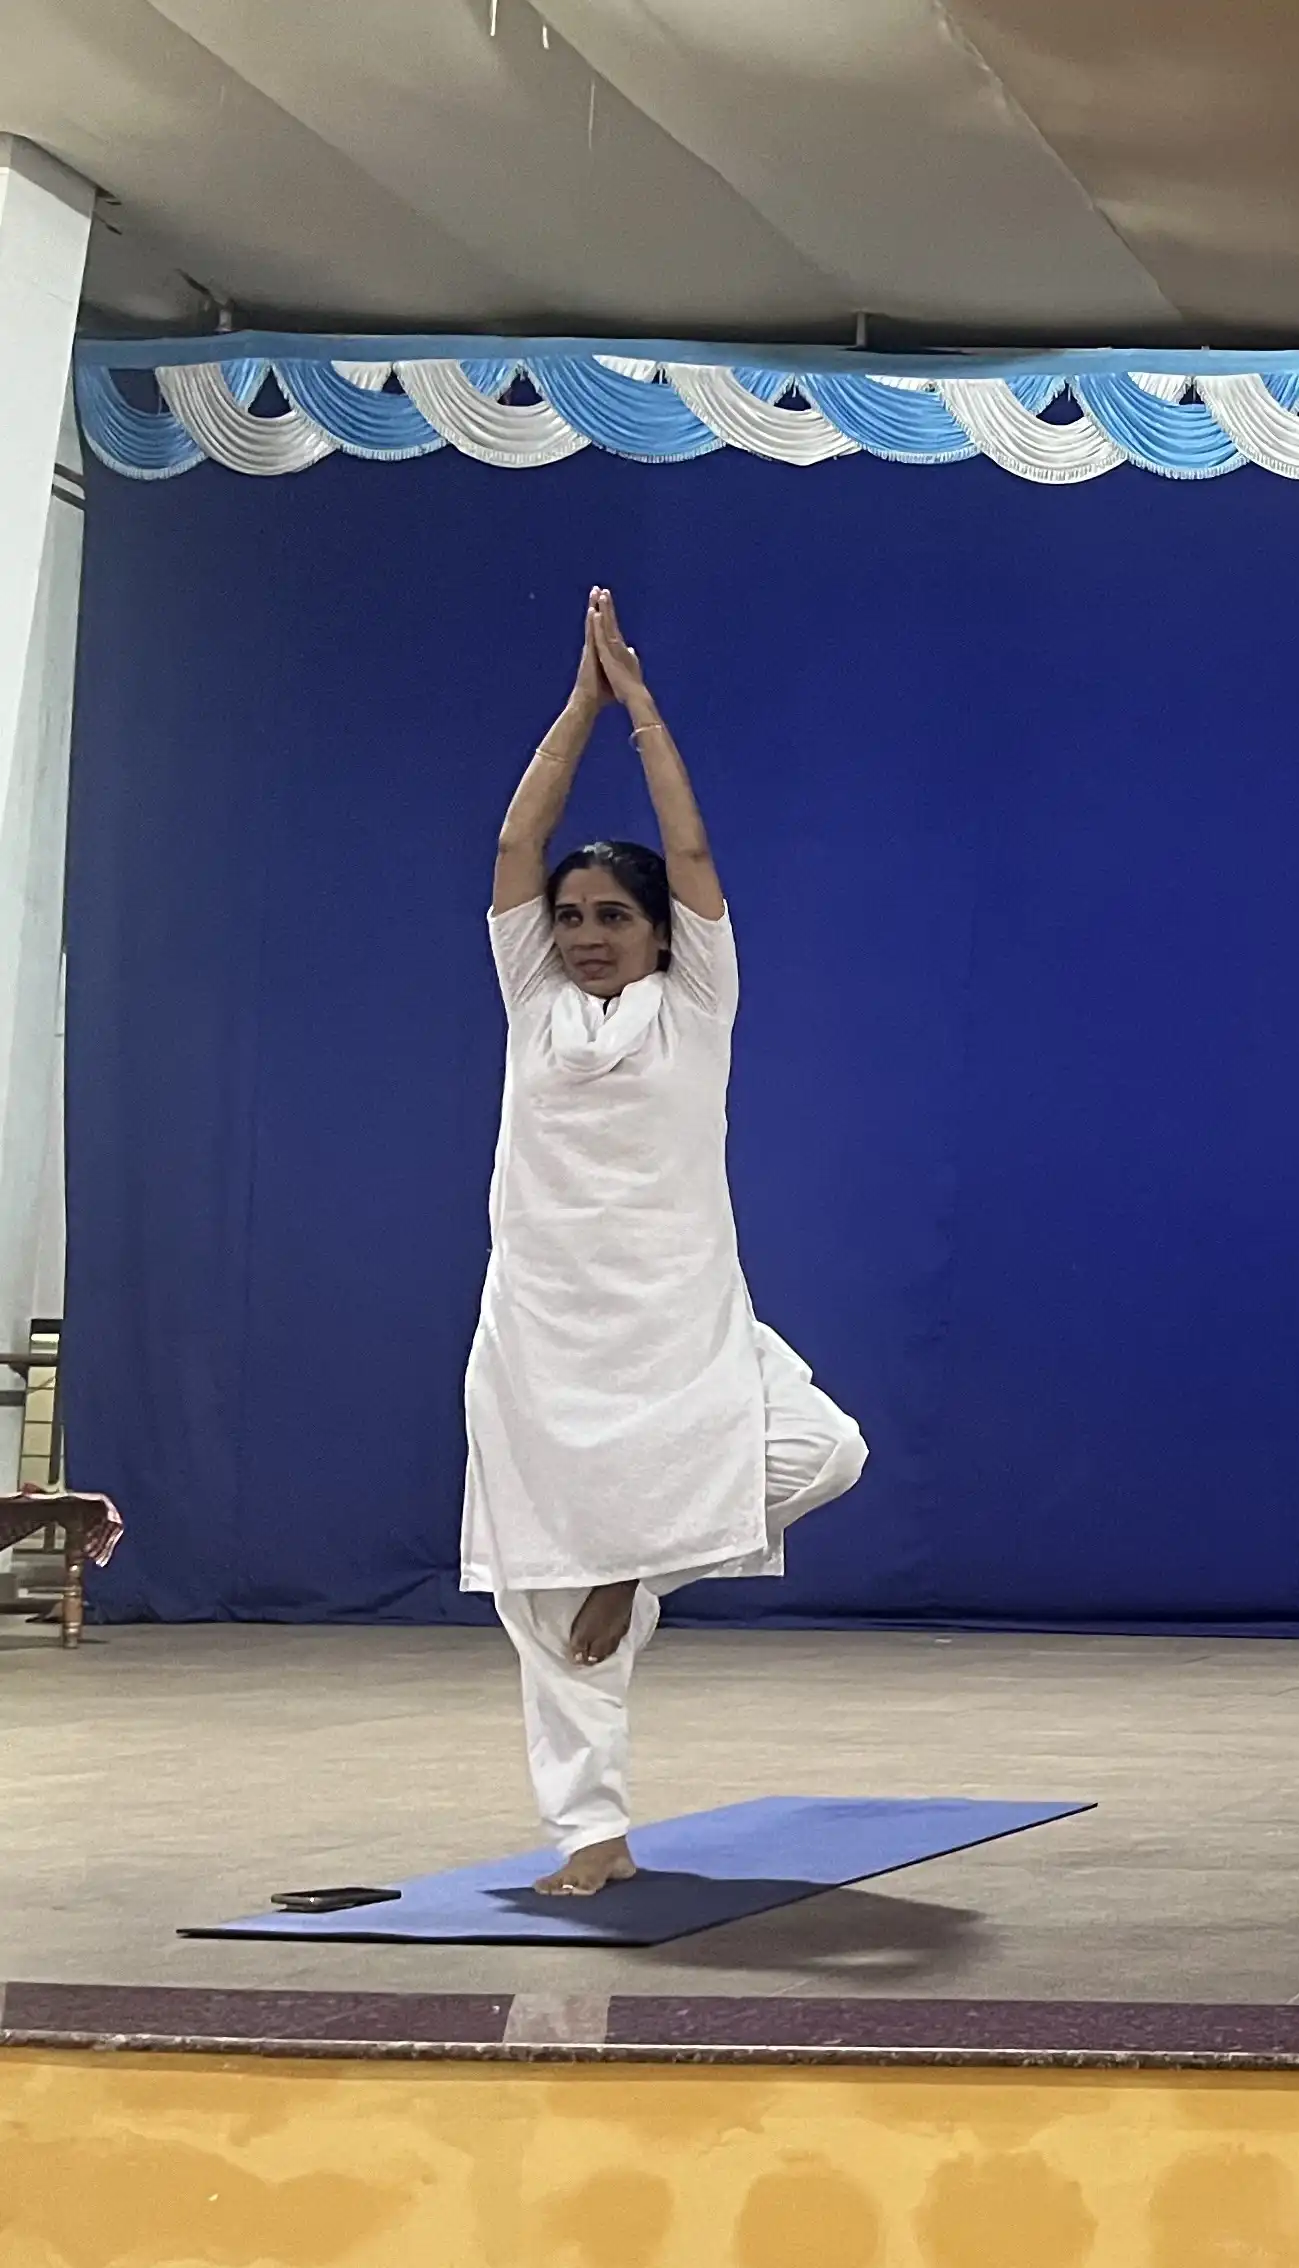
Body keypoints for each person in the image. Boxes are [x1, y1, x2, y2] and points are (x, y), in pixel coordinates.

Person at [467, 590, 869, 1895]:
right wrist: (570, 713)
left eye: (611, 918)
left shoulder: (696, 1005)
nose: (586, 936)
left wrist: (638, 715)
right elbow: (517, 839)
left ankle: (639, 1569)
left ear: (657, 934)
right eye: (571, 918)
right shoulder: (531, 1003)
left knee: (827, 1449)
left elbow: (692, 859)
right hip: (543, 1336)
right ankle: (593, 1835)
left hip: (687, 1326)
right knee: (543, 1599)